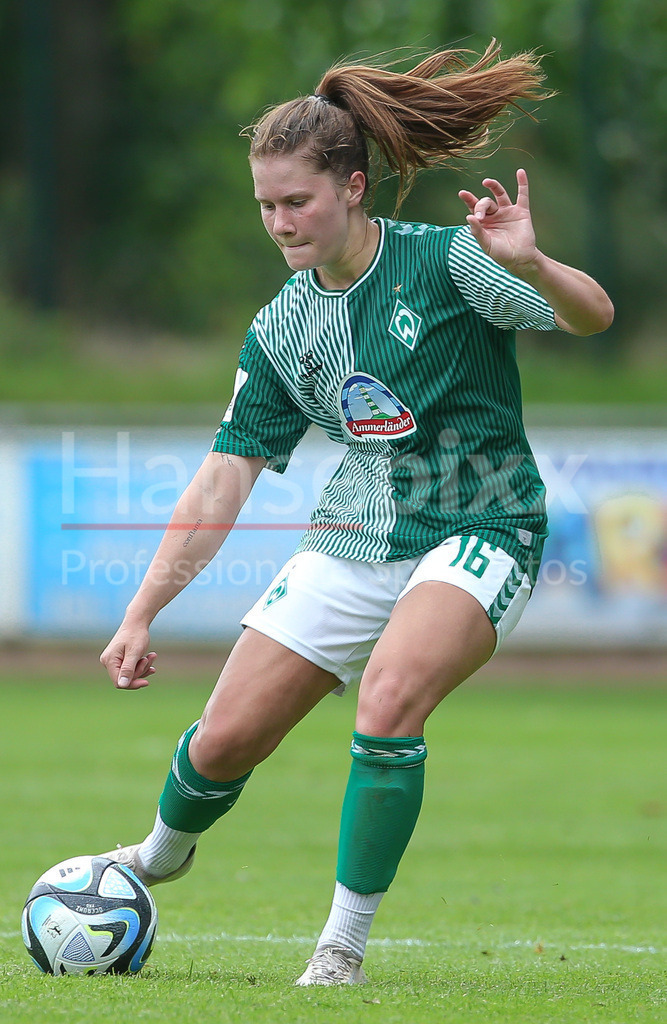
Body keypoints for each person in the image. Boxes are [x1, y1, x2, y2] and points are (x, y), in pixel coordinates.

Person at [99, 39, 614, 986]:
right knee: (222, 742)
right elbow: (223, 481)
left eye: (297, 202)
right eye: (265, 206)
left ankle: (339, 948)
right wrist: (141, 612)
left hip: (483, 524)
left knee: (387, 700)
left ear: (351, 187)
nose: (280, 223)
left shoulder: (452, 263)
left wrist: (533, 264)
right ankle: (159, 855)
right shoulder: (284, 324)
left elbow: (592, 315)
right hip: (355, 533)